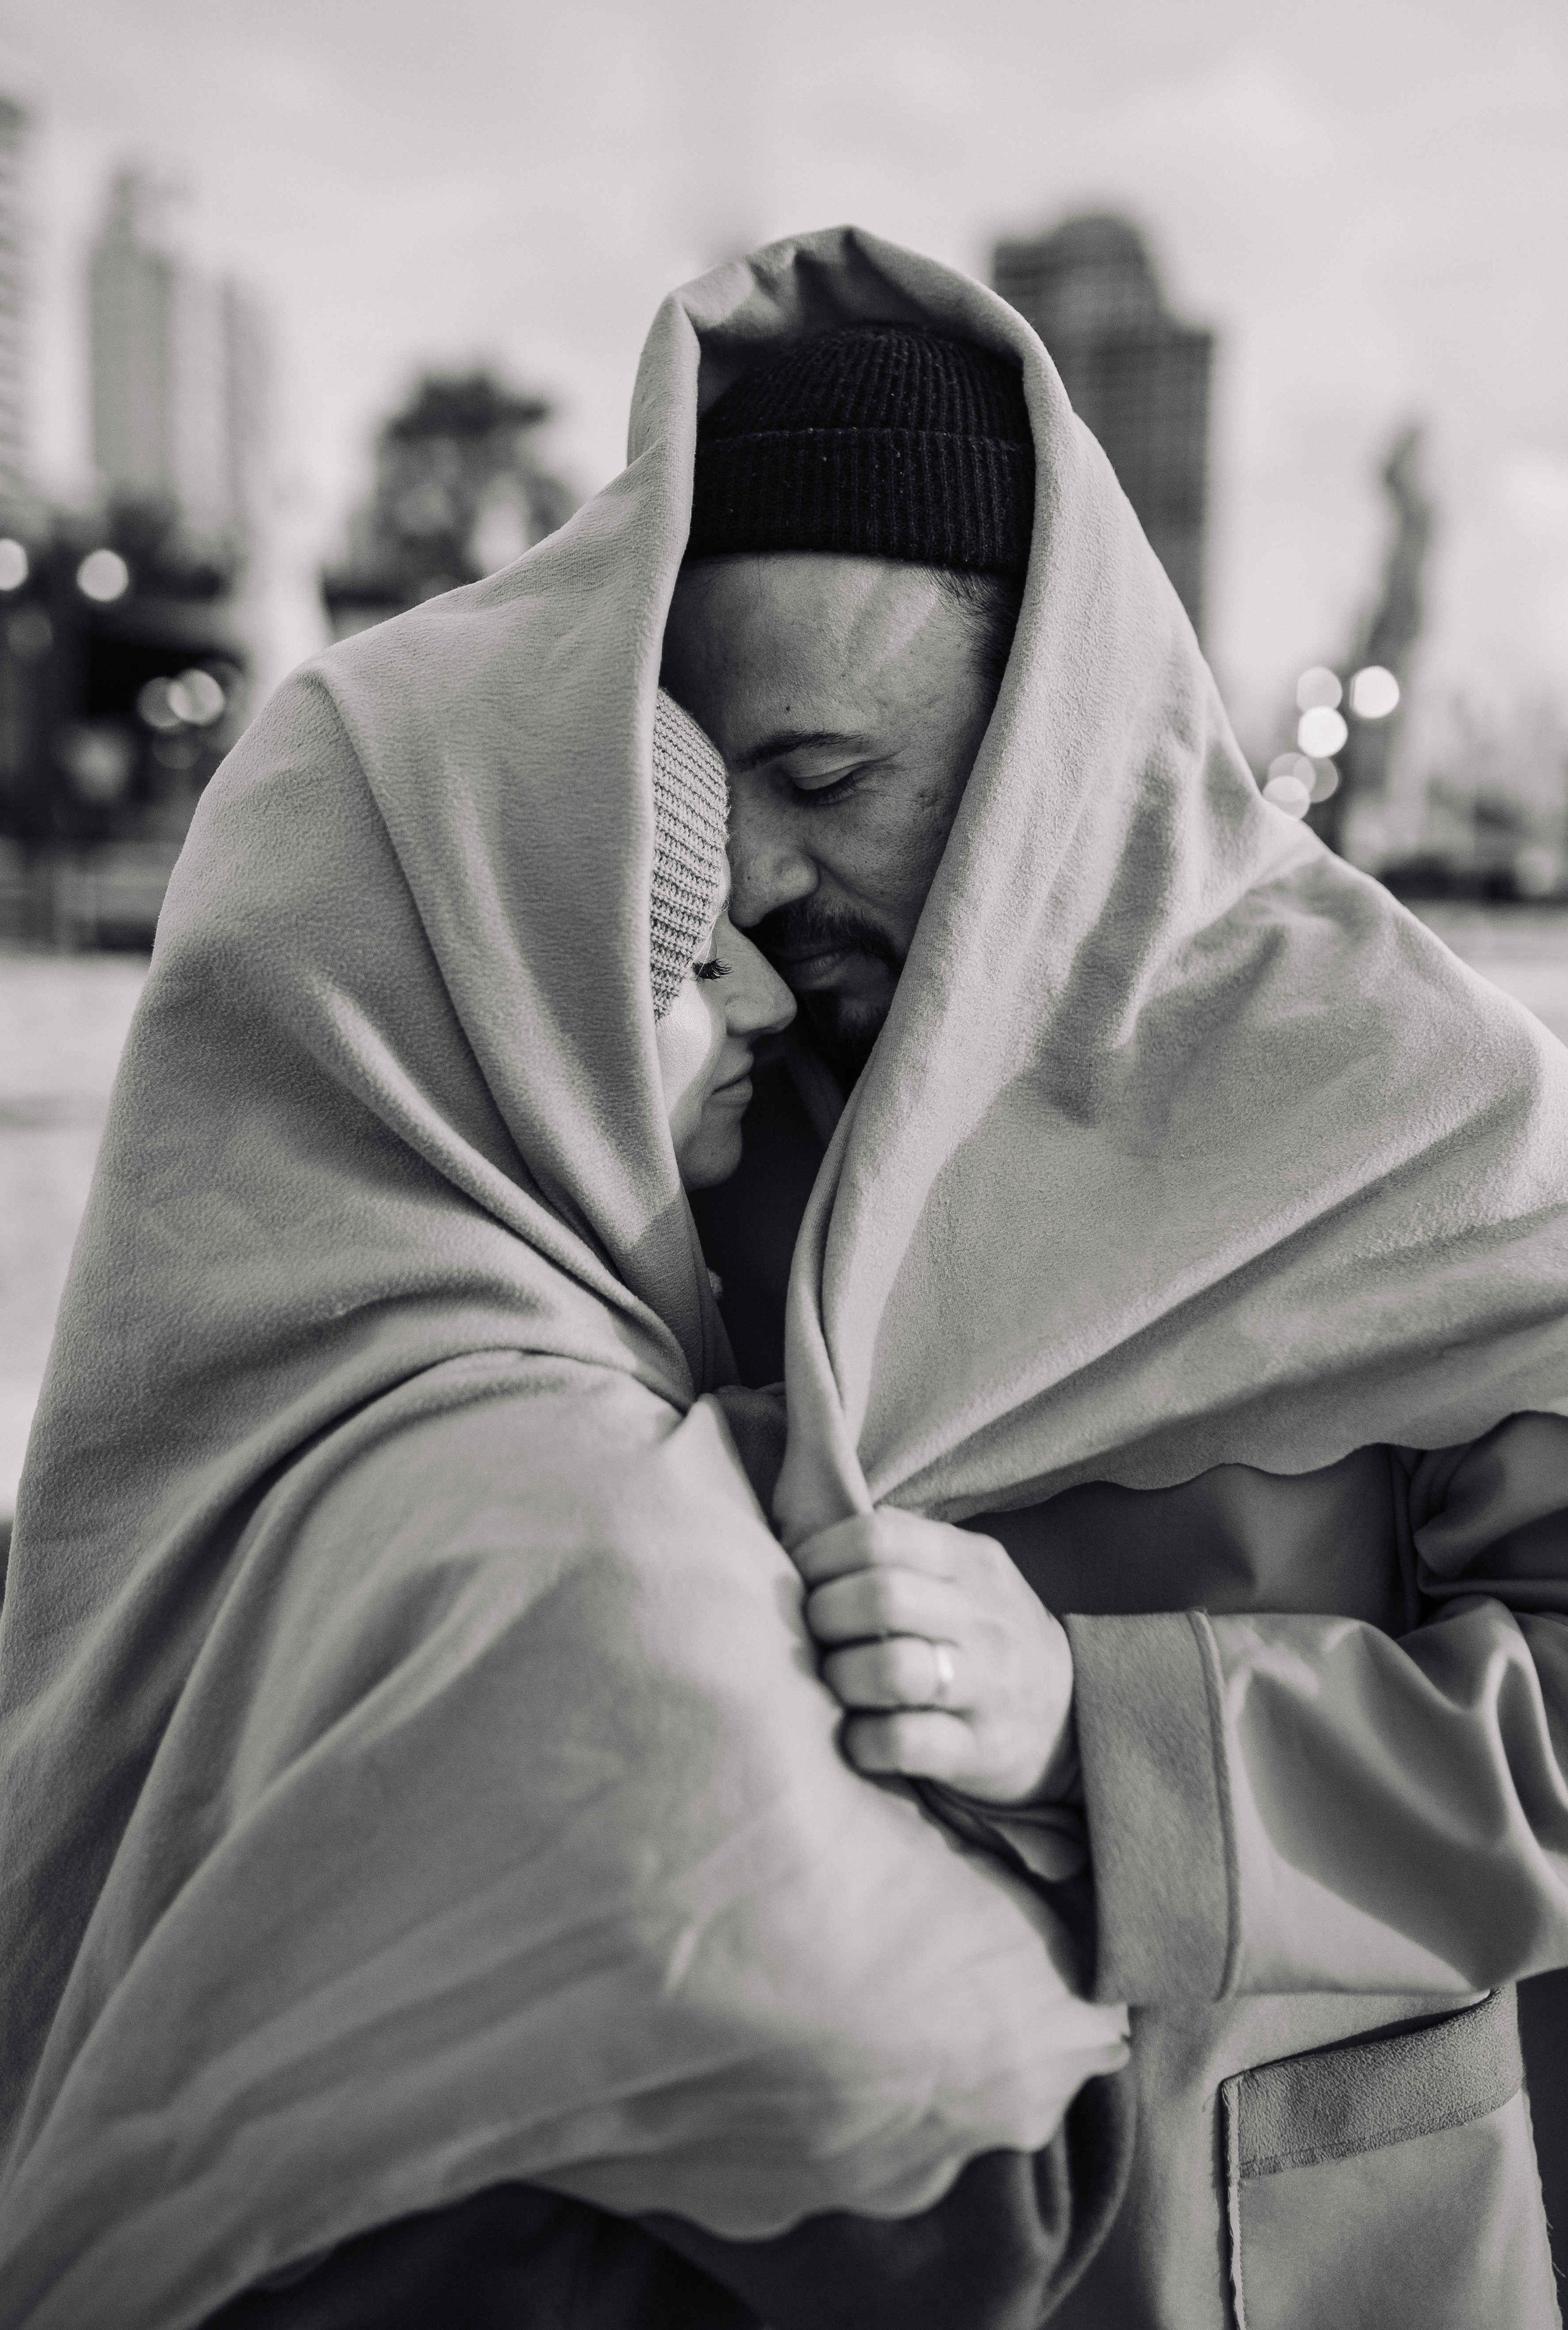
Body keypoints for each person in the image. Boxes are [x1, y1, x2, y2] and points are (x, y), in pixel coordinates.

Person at [0, 616, 1128, 2330]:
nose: (759, 987)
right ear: (495, 1019)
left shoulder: (190, 1416)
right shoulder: (578, 1520)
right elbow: (965, 2180)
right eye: (678, 963)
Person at [662, 227, 1568, 2326]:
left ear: (1057, 741)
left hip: (1290, 2244)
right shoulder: (698, 1100)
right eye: (717, 805)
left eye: (827, 781)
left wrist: (1104, 1722)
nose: (764, 882)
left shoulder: (1427, 1104)